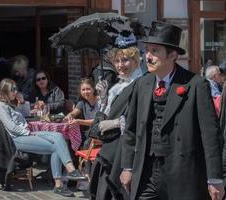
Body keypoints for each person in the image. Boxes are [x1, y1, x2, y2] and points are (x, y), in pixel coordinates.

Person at [120, 21, 224, 200]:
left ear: (173, 55)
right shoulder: (141, 84)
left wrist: (214, 177)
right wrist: (127, 167)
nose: (148, 57)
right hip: (147, 172)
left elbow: (210, 135)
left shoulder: (196, 85)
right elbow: (130, 130)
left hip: (182, 173)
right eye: (147, 51)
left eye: (155, 51)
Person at [0, 78, 86, 197]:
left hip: (26, 133)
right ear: (5, 91)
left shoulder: (11, 104)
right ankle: (60, 183)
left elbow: (26, 114)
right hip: (16, 139)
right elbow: (11, 127)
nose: (16, 92)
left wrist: (22, 102)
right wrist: (28, 133)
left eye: (16, 89)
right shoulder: (0, 106)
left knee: (59, 136)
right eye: (13, 89)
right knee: (55, 147)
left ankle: (71, 170)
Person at [89, 33, 142, 200]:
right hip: (109, 148)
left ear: (136, 61)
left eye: (125, 60)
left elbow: (139, 120)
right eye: (117, 61)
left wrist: (114, 123)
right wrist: (104, 98)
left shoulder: (141, 84)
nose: (120, 65)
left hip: (124, 152)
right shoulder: (117, 86)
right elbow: (104, 117)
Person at [64, 77, 100, 179]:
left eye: (88, 89)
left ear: (94, 89)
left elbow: (97, 121)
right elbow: (75, 112)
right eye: (83, 90)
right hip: (87, 133)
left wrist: (79, 122)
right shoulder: (82, 103)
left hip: (99, 132)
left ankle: (87, 171)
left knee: (87, 141)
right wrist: (70, 115)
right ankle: (74, 171)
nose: (86, 92)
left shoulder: (100, 101)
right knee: (70, 140)